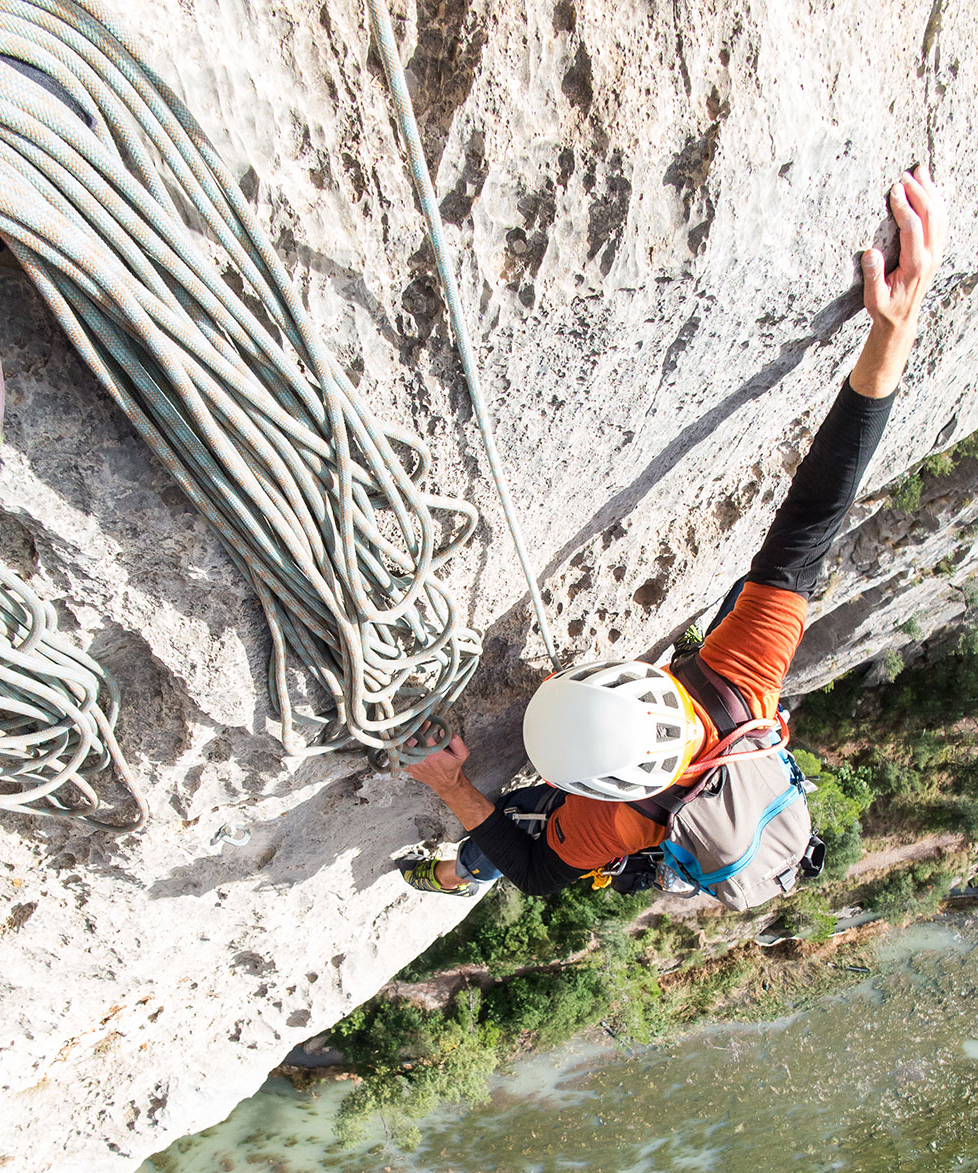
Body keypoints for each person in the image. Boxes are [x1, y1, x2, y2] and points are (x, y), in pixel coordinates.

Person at [401, 167, 947, 898]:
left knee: (509, 834)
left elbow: (536, 872)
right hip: (723, 738)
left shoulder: (616, 825)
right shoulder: (742, 678)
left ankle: (452, 874)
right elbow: (818, 508)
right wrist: (893, 331)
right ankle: (455, 870)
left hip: (657, 827)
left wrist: (453, 787)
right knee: (766, 584)